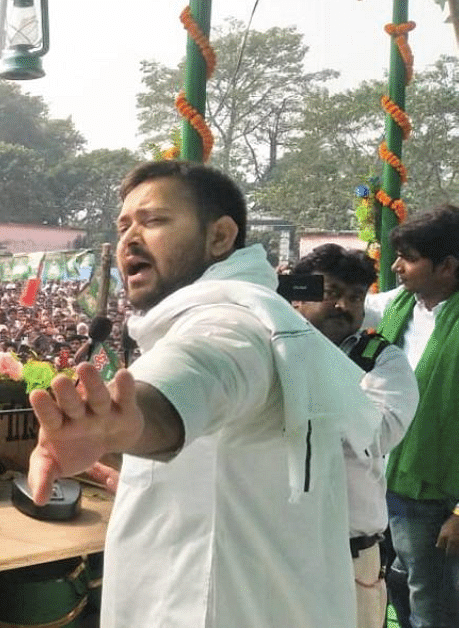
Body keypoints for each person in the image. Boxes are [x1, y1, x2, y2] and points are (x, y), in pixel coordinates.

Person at [25, 161, 379, 628]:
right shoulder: (250, 319)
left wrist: (129, 425)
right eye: (123, 224)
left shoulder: (232, 325)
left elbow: (195, 377)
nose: (130, 238)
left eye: (153, 221)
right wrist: (131, 460)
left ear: (219, 237)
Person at [291, 243, 419, 628]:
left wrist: (316, 366)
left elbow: (376, 435)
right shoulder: (265, 353)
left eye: (355, 297)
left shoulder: (383, 362)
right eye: (331, 294)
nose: (344, 307)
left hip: (349, 557)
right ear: (298, 296)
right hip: (274, 547)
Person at [363, 205, 459, 628]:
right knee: (398, 586)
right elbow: (344, 305)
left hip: (437, 495)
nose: (397, 267)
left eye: (409, 258)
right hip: (387, 479)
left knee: (431, 602)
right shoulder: (397, 308)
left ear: (447, 267)